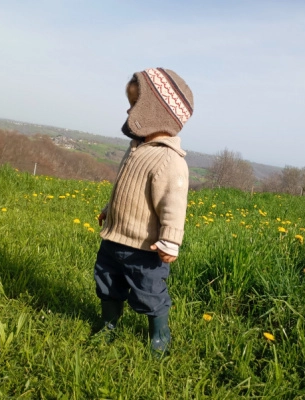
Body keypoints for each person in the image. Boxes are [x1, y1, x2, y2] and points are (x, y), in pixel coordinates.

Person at [93, 68, 193, 357]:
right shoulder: (136, 147)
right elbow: (124, 189)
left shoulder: (169, 159)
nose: (128, 110)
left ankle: (159, 334)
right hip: (114, 239)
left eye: (134, 105)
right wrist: (108, 210)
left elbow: (173, 205)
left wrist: (170, 241)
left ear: (154, 112)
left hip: (145, 248)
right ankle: (108, 325)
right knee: (107, 282)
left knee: (149, 293)